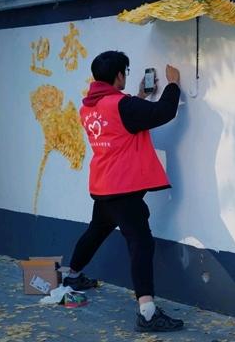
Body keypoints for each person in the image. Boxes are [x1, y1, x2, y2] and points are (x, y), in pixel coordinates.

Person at [63, 51, 183, 332]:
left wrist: (139, 97)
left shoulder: (88, 106)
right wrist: (173, 84)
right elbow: (163, 112)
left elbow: (119, 125)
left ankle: (72, 275)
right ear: (119, 75)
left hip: (103, 185)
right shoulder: (122, 105)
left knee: (96, 231)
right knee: (141, 243)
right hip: (123, 189)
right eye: (125, 72)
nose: (125, 77)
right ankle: (147, 313)